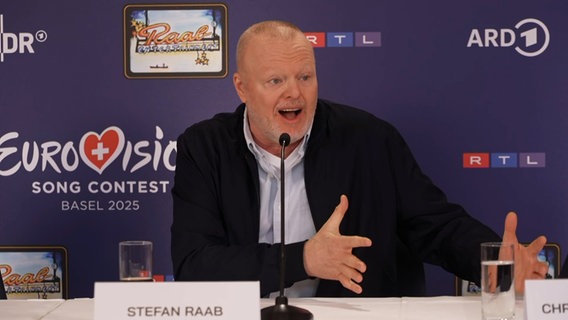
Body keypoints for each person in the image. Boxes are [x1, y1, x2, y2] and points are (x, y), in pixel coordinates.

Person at [171, 20, 548, 297]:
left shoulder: (369, 139)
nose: (295, 94)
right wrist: (303, 258)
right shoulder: (204, 148)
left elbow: (435, 224)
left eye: (305, 77)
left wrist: (499, 262)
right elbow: (195, 265)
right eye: (275, 81)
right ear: (241, 87)